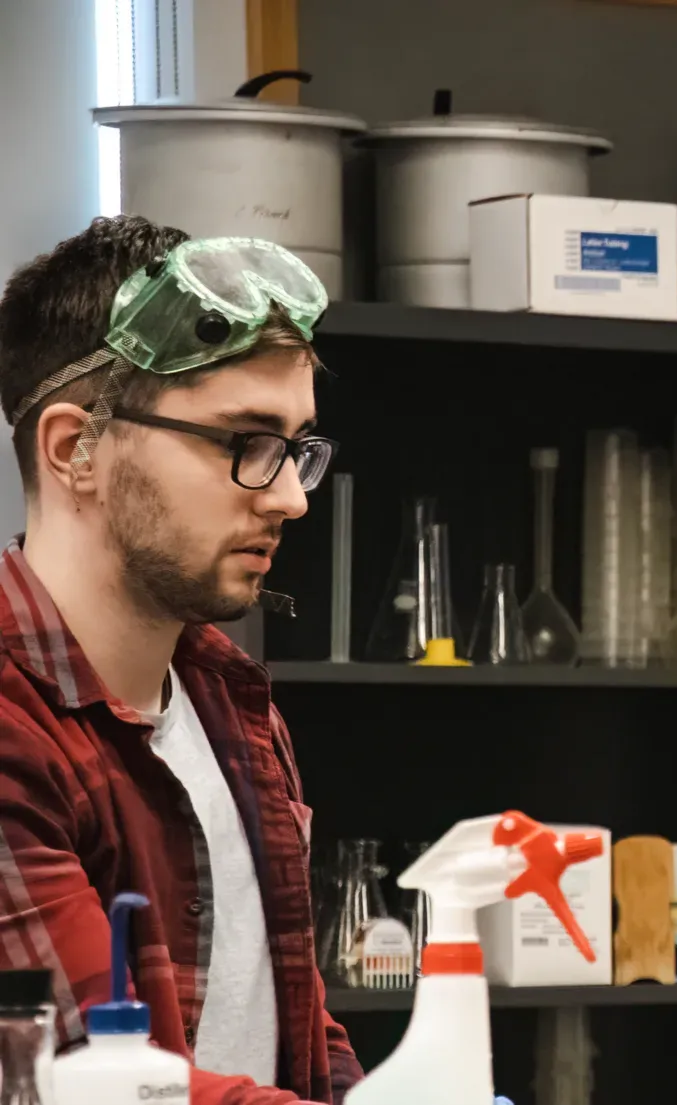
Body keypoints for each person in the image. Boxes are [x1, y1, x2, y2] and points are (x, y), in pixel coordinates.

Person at [0, 216, 354, 1104]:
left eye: (297, 449)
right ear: (73, 448)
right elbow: (108, 1083)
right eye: (245, 443)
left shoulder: (230, 701)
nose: (288, 498)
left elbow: (296, 1017)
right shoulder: (11, 729)